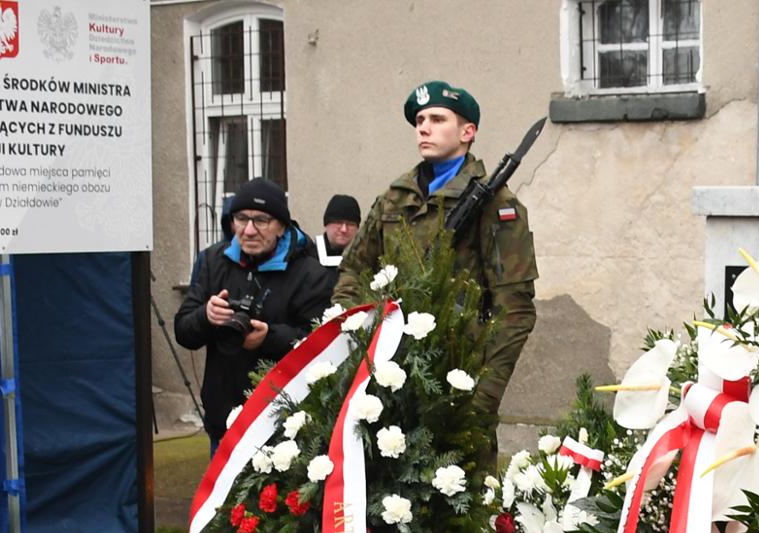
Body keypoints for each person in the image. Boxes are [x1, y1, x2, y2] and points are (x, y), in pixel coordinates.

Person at [334, 80, 538, 424]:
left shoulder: (497, 205)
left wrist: (481, 398)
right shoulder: (394, 199)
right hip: (386, 372)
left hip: (457, 376)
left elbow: (514, 310)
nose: (424, 128)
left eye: (438, 119)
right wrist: (359, 334)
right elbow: (353, 270)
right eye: (419, 121)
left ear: (467, 132)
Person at [176, 177, 336, 453]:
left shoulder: (310, 275)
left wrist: (269, 337)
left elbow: (322, 345)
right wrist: (206, 316)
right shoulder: (213, 261)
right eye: (241, 219)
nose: (249, 230)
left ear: (281, 226)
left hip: (285, 426)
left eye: (261, 220)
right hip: (224, 422)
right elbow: (183, 331)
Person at [317, 194, 361, 270]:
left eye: (350, 224)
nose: (344, 229)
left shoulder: (367, 260)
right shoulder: (307, 258)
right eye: (338, 222)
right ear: (326, 224)